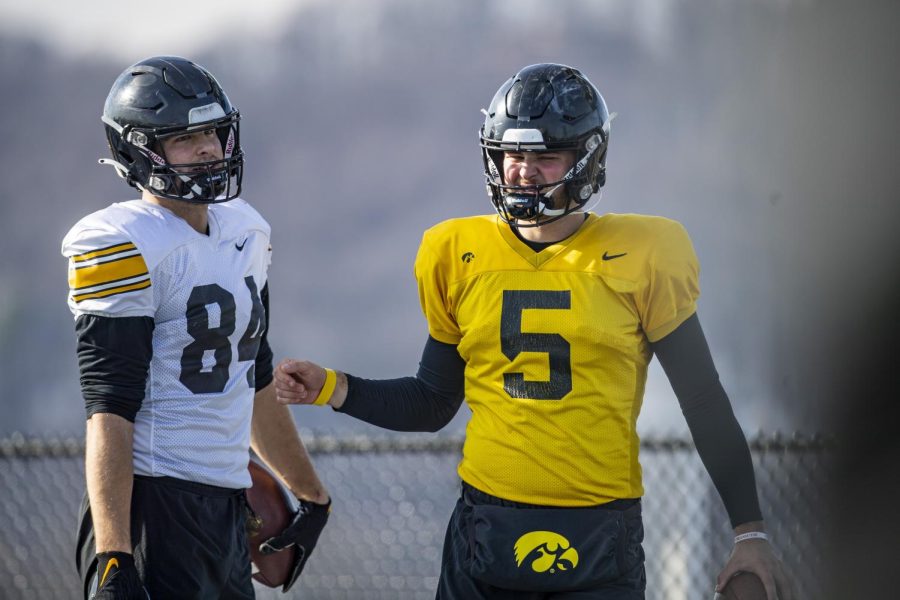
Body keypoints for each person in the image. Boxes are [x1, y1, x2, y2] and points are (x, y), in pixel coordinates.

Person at [274, 63, 792, 599]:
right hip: (486, 529)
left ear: (587, 159)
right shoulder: (456, 252)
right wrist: (334, 387)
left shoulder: (646, 252)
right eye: (514, 155)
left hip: (600, 533)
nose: (523, 171)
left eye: (545, 157)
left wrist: (748, 530)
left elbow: (703, 400)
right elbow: (433, 402)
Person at [62, 56, 330, 599]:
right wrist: (114, 555)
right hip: (153, 507)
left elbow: (251, 378)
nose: (208, 148)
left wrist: (312, 495)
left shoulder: (246, 232)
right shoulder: (121, 241)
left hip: (228, 506)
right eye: (185, 139)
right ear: (137, 151)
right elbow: (108, 408)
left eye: (212, 131)